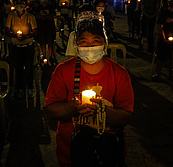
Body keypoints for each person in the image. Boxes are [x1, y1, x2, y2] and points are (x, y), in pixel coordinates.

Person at [45, 11, 134, 167]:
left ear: (104, 43)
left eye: (95, 40)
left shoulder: (119, 73)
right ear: (76, 45)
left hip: (109, 152)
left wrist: (102, 111)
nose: (90, 46)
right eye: (84, 41)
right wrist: (73, 107)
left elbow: (126, 116)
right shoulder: (63, 71)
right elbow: (51, 110)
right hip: (70, 154)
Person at [5, 0, 37, 98]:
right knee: (18, 68)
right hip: (16, 47)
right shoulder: (11, 16)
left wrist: (26, 36)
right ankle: (19, 89)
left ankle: (30, 88)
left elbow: (35, 31)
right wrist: (15, 35)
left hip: (28, 47)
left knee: (29, 68)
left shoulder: (30, 17)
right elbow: (7, 30)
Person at [152, 0, 173, 80]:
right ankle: (157, 73)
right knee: (160, 56)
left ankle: (171, 74)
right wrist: (164, 38)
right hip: (163, 39)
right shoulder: (164, 12)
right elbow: (160, 26)